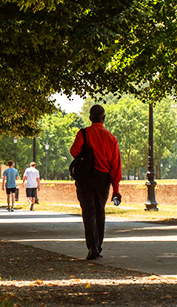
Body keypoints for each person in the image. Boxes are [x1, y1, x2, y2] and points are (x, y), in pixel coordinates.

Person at [70, 104, 122, 261]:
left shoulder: (83, 133)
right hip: (103, 179)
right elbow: (115, 166)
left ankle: (92, 246)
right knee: (100, 211)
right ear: (103, 118)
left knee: (88, 212)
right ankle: (98, 247)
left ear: (90, 118)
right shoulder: (111, 138)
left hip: (85, 178)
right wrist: (116, 189)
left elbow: (74, 151)